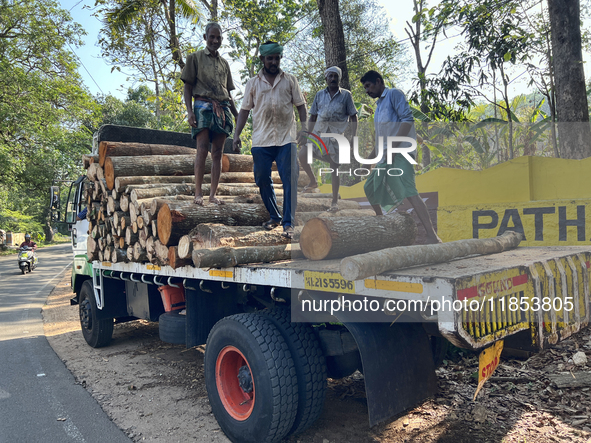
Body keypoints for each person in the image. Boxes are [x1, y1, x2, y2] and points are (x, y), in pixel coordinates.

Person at [233, 41, 307, 239]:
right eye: (270, 58)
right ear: (262, 59)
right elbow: (244, 110)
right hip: (261, 140)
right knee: (262, 178)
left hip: (287, 139)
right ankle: (275, 216)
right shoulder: (253, 83)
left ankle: (288, 223)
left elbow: (300, 106)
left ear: (280, 58)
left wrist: (305, 129)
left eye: (277, 58)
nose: (274, 62)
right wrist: (236, 134)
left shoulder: (290, 80)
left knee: (290, 180)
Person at [360, 70, 442, 244]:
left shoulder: (394, 94)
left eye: (368, 86)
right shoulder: (378, 108)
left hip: (401, 153)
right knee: (369, 188)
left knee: (410, 192)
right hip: (385, 157)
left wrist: (393, 148)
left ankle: (432, 236)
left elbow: (407, 120)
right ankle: (383, 225)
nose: (367, 90)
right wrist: (368, 162)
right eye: (365, 88)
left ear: (378, 81)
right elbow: (379, 142)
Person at [181, 22, 239, 206]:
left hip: (222, 108)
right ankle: (198, 193)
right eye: (212, 37)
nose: (215, 40)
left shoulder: (224, 63)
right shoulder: (195, 58)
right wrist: (190, 112)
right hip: (202, 106)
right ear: (205, 38)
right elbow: (187, 87)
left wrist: (236, 114)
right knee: (202, 149)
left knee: (217, 153)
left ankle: (213, 194)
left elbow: (228, 92)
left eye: (219, 37)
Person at [299, 66, 358, 211]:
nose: (333, 79)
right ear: (326, 78)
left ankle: (334, 202)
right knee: (302, 154)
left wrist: (353, 136)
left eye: (335, 76)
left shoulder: (346, 95)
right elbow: (313, 115)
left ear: (339, 78)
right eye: (330, 76)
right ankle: (313, 181)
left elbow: (353, 116)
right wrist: (307, 133)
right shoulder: (319, 95)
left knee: (334, 169)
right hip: (319, 134)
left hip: (336, 137)